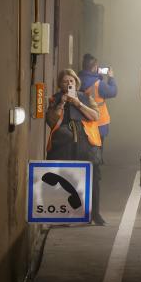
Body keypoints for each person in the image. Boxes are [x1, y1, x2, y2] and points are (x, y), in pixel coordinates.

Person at [46, 69, 103, 222]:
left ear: (76, 82)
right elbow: (51, 121)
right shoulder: (55, 99)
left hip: (86, 144)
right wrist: (62, 103)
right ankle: (64, 215)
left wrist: (78, 103)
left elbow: (95, 116)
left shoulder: (86, 97)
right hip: (63, 145)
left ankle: (95, 214)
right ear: (60, 84)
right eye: (65, 81)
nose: (69, 83)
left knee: (93, 178)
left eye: (71, 81)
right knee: (64, 178)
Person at [79, 54, 117, 225]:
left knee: (83, 167)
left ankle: (82, 210)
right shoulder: (98, 84)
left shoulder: (78, 81)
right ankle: (93, 213)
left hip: (81, 129)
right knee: (95, 168)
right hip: (98, 128)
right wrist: (111, 78)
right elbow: (113, 91)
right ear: (95, 68)